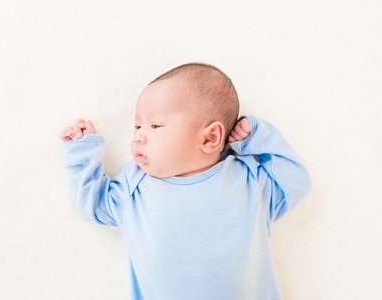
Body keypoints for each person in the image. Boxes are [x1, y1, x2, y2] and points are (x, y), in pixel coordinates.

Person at [59, 62, 312, 300]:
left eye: (155, 125)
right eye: (137, 127)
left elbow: (295, 180)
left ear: (210, 138)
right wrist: (84, 153)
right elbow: (93, 204)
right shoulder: (134, 186)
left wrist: (256, 137)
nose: (139, 137)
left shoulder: (248, 179)